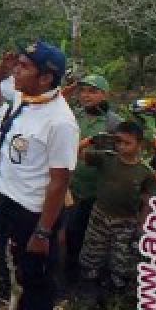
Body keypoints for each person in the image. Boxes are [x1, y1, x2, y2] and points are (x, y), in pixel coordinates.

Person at [0, 40, 79, 310]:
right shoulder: (25, 97)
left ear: (46, 78)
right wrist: (5, 64)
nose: (16, 70)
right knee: (22, 270)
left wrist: (43, 231)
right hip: (11, 201)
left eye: (25, 66)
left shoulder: (61, 122)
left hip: (37, 212)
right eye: (18, 63)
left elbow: (59, 182)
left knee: (39, 274)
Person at [76, 121, 156, 307]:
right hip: (100, 216)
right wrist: (90, 141)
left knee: (120, 263)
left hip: (126, 222)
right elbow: (73, 153)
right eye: (118, 142)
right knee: (91, 256)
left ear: (140, 145)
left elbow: (147, 201)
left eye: (127, 143)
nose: (121, 146)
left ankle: (113, 299)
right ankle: (87, 294)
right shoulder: (106, 158)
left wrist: (142, 226)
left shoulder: (145, 172)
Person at [62, 74, 121, 283]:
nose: (86, 96)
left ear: (104, 94)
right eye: (83, 91)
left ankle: (86, 281)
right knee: (67, 232)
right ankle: (67, 275)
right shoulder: (72, 116)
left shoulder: (114, 123)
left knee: (88, 237)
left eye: (92, 91)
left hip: (96, 191)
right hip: (69, 186)